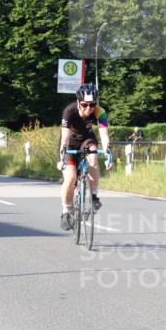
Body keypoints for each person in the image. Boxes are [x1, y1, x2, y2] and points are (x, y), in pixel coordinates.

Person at [57, 83, 113, 230]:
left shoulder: (100, 112)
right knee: (70, 178)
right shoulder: (69, 112)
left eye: (92, 104)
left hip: (87, 140)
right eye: (85, 104)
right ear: (78, 102)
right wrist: (62, 157)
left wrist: (108, 153)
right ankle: (66, 210)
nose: (89, 108)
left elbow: (104, 135)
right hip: (70, 142)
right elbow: (64, 138)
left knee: (94, 157)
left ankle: (94, 195)